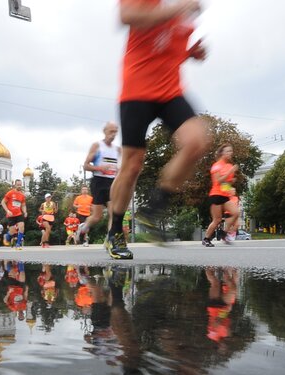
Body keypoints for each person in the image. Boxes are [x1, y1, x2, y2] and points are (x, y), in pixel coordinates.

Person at [104, 0, 211, 260]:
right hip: (136, 90)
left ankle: (154, 207)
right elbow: (127, 16)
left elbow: (164, 44)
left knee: (197, 140)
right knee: (132, 165)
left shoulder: (181, 12)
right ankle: (115, 231)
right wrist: (181, 7)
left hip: (170, 91)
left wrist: (190, 53)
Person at [77, 122, 121, 246]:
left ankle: (110, 240)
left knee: (114, 213)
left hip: (112, 182)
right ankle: (84, 227)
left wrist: (119, 170)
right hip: (99, 181)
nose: (113, 135)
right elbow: (86, 165)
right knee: (97, 216)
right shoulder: (97, 146)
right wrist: (100, 168)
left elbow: (122, 166)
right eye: (111, 131)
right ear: (105, 131)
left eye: (115, 132)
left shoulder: (118, 150)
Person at [202, 144, 241, 246]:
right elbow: (218, 181)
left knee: (236, 212)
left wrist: (231, 182)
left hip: (224, 196)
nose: (230, 153)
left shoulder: (228, 166)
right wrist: (230, 172)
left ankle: (224, 233)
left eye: (231, 151)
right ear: (222, 153)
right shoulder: (217, 165)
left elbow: (224, 185)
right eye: (228, 151)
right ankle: (206, 238)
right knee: (217, 220)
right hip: (215, 195)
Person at [2, 179, 28, 250]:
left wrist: (25, 212)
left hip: (19, 214)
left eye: (20, 185)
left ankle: (18, 244)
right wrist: (7, 211)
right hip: (11, 215)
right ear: (15, 185)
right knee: (12, 231)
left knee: (22, 227)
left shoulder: (22, 195)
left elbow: (23, 205)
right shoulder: (10, 193)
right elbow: (3, 202)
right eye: (18, 184)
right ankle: (6, 237)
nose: (19, 186)